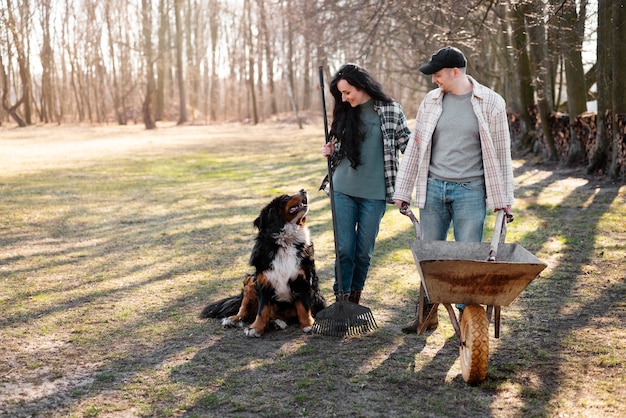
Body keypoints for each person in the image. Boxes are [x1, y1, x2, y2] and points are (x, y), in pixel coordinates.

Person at [393, 46, 514, 333]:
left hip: (470, 192)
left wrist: (504, 199)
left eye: (437, 74)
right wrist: (403, 190)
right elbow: (416, 146)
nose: (434, 80)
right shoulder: (431, 101)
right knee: (429, 258)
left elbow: (501, 154)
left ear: (455, 72)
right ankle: (428, 314)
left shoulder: (491, 103)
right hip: (434, 188)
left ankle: (468, 323)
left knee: (468, 260)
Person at [320, 63, 411, 304]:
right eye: (341, 93)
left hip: (375, 194)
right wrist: (330, 149)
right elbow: (340, 148)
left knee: (363, 252)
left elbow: (408, 147)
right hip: (342, 190)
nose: (344, 97)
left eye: (347, 92)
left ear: (361, 86)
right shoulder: (345, 113)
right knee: (344, 250)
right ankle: (341, 297)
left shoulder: (391, 110)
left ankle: (354, 299)